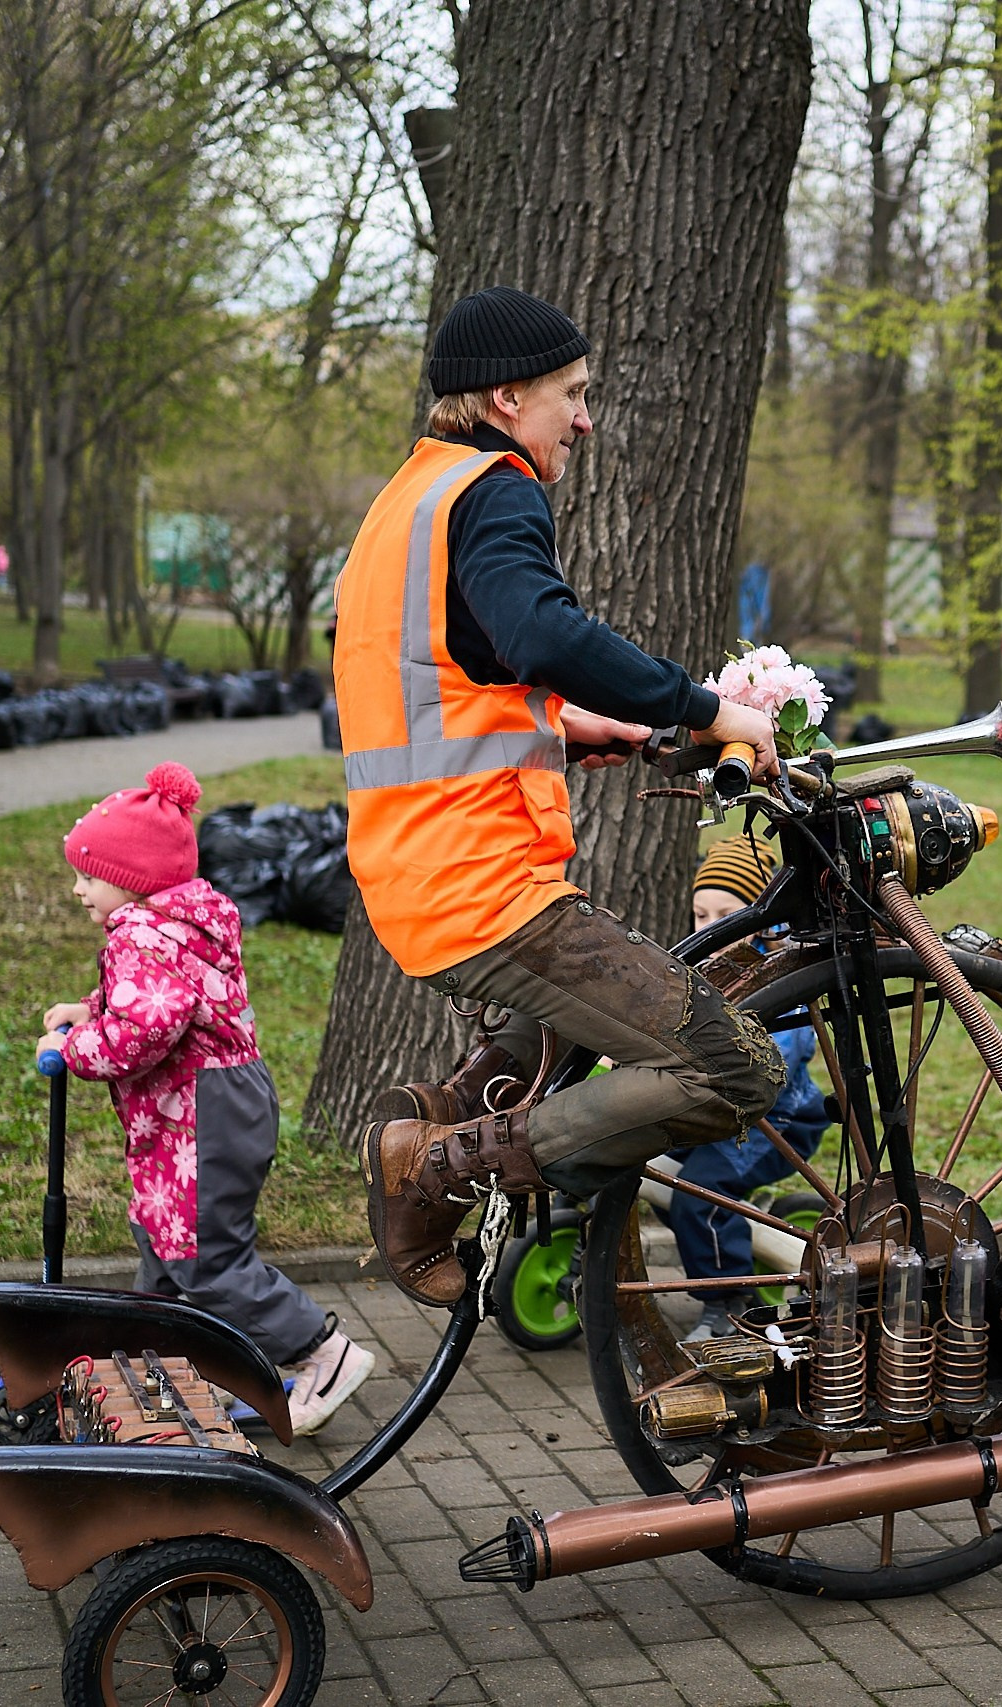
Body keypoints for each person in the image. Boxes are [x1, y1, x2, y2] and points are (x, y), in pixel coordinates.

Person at [337, 285, 785, 1308]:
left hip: (421, 870)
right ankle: (441, 1167)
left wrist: (561, 727)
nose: (583, 419)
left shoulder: (412, 497)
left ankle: (444, 1113)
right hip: (483, 886)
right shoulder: (497, 488)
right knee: (735, 1069)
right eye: (571, 396)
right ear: (506, 397)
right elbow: (539, 633)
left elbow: (446, 673)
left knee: (593, 1021)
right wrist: (707, 707)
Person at [38, 762, 376, 1436]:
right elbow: (151, 996)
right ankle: (164, 1374)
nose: (79, 890)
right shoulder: (179, 923)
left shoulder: (144, 934)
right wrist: (91, 1006)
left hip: (203, 1116)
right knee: (164, 1251)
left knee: (206, 1258)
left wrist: (77, 1048)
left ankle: (325, 1354)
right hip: (206, 1109)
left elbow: (148, 1027)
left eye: (90, 876)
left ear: (133, 879)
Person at [673, 834, 830, 1342]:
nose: (711, 926)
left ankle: (725, 1303)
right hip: (714, 1110)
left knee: (701, 1192)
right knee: (653, 1170)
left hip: (773, 1119)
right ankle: (723, 1238)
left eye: (727, 913)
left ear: (760, 918)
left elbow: (784, 1054)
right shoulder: (697, 969)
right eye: (701, 914)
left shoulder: (778, 974)